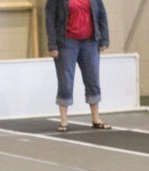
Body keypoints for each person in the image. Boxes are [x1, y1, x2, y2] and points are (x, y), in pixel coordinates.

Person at [45, 0, 110, 132]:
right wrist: (52, 45)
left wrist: (104, 39)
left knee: (93, 80)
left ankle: (96, 118)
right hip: (66, 43)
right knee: (65, 81)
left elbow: (102, 14)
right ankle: (64, 120)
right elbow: (50, 18)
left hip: (90, 42)